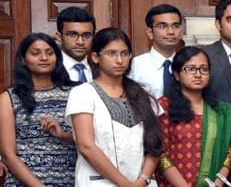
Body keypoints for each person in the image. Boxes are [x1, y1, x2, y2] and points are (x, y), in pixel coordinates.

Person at [66, 27, 162, 186]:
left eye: (125, 54)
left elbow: (155, 144)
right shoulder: (82, 93)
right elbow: (86, 146)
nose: (119, 60)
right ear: (95, 57)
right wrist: (125, 184)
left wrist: (143, 179)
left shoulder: (143, 93)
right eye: (111, 54)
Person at [0, 33, 80, 186]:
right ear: (23, 59)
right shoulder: (9, 98)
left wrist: (63, 135)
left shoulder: (76, 93)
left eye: (50, 53)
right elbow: (8, 154)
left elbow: (89, 140)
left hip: (71, 180)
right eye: (35, 53)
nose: (44, 58)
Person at [154, 47, 231, 186]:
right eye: (190, 69)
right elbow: (161, 154)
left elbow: (229, 151)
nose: (198, 74)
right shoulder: (163, 107)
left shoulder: (221, 110)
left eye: (204, 69)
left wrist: (218, 182)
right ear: (176, 74)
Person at [130, 4, 185, 98]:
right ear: (150, 33)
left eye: (175, 26)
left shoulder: (188, 65)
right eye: (162, 26)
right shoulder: (135, 66)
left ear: (181, 32)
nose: (171, 32)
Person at [55, 6, 96, 83]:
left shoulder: (102, 70)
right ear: (59, 37)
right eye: (72, 35)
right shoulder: (49, 69)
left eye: (86, 35)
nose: (80, 42)